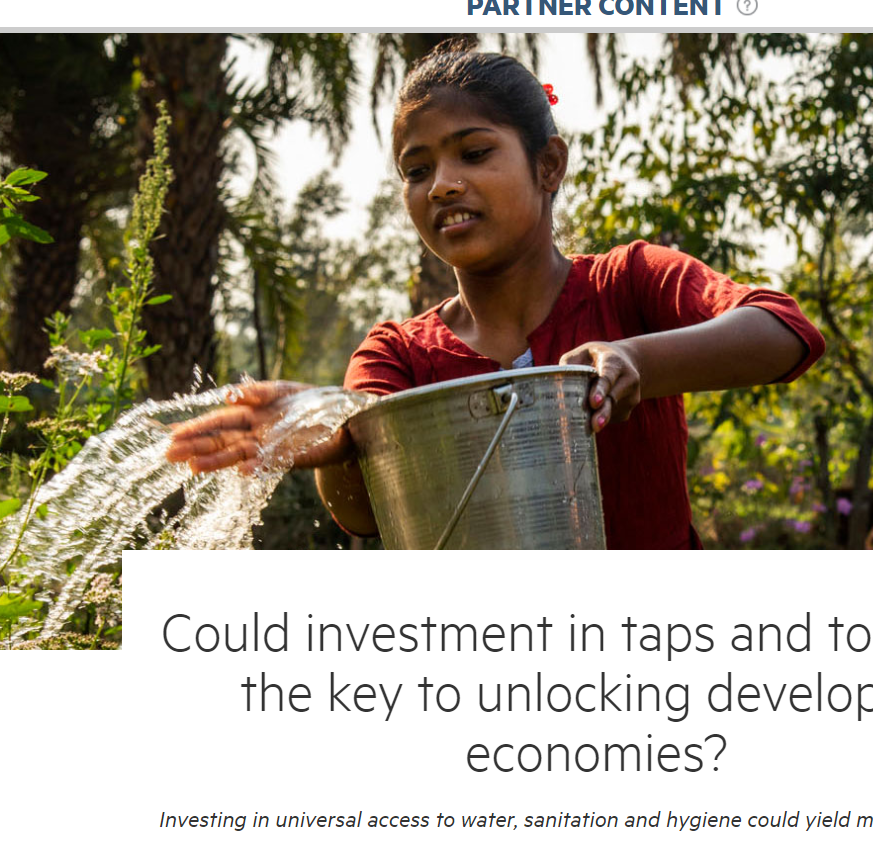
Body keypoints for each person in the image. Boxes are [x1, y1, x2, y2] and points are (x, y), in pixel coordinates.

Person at [167, 47, 825, 548]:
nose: (443, 185)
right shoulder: (399, 354)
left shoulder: (628, 285)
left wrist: (635, 363)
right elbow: (361, 514)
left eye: (474, 153)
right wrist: (336, 437)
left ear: (548, 166)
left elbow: (783, 331)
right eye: (417, 170)